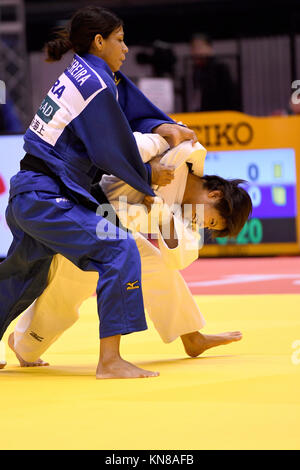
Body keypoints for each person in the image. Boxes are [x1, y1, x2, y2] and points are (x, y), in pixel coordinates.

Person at [0, 5, 197, 379]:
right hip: (46, 195)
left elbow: (133, 111)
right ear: (99, 41)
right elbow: (109, 149)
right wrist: (146, 173)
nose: (126, 48)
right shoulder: (94, 83)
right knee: (118, 247)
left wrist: (163, 126)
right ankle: (110, 361)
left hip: (34, 193)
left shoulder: (90, 75)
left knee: (25, 273)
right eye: (120, 40)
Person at [7, 132, 252, 368]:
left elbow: (180, 256)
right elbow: (121, 144)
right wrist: (147, 168)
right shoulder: (178, 155)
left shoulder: (186, 215)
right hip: (86, 223)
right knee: (63, 302)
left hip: (119, 236)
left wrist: (161, 215)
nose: (201, 225)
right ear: (215, 194)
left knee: (158, 268)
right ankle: (24, 343)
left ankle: (192, 337)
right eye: (210, 221)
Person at [188, 34, 240, 112]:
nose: (195, 52)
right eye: (192, 48)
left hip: (221, 115)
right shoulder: (196, 70)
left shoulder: (220, 68)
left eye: (198, 47)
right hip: (203, 115)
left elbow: (231, 96)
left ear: (209, 48)